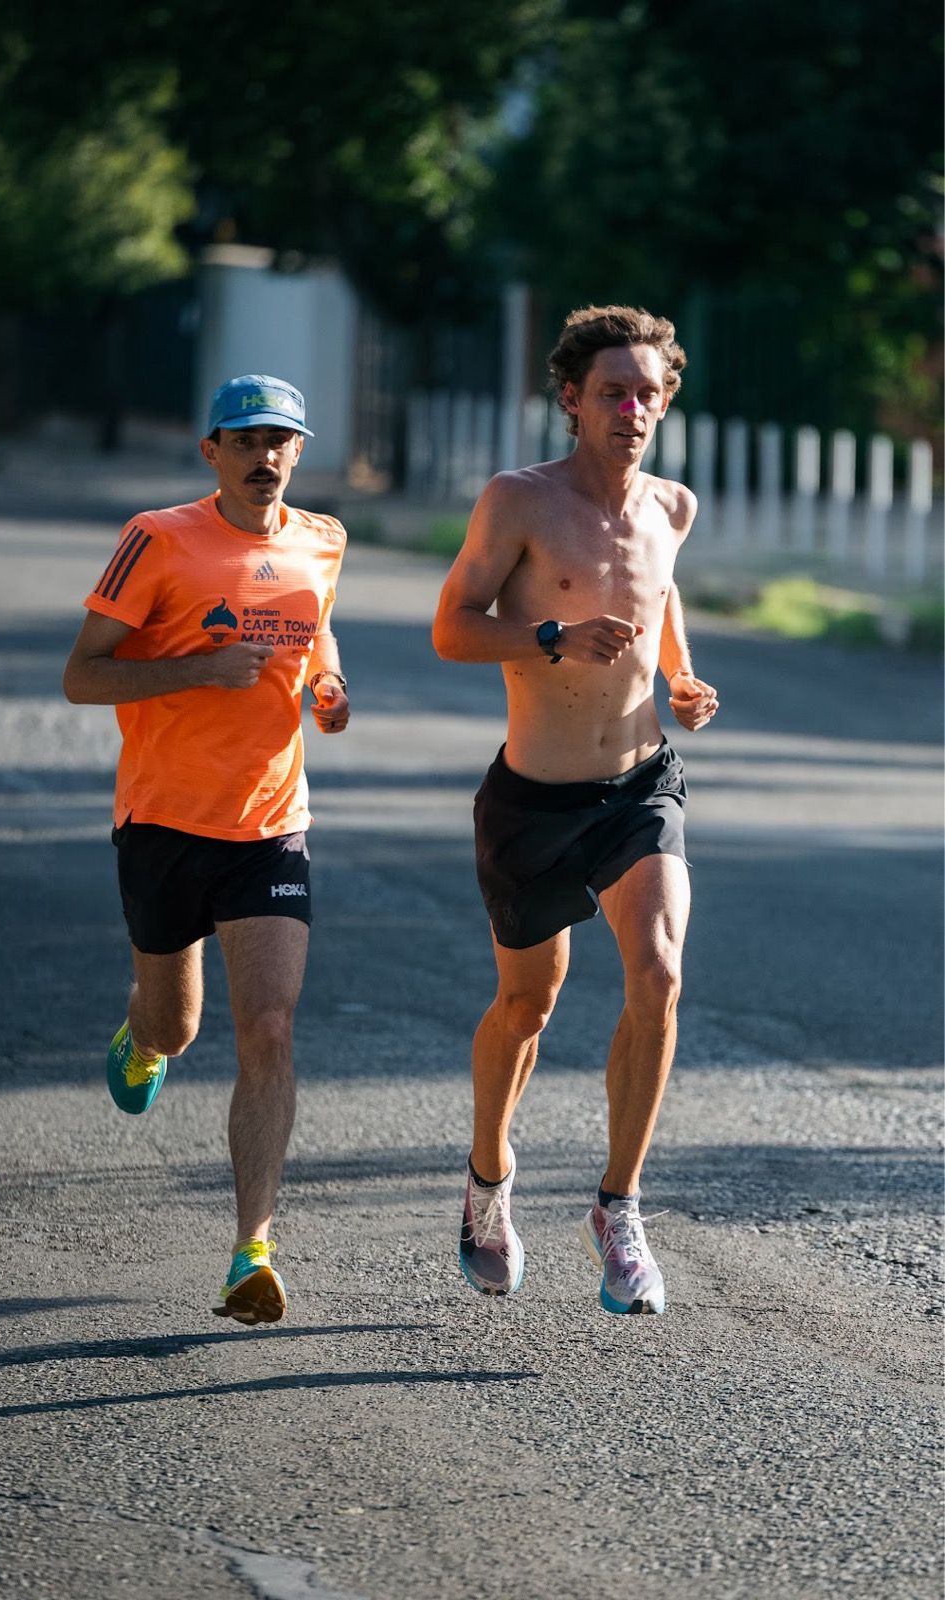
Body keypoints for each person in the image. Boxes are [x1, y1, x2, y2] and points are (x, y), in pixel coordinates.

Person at [432, 305, 719, 1315]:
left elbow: (660, 598)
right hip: (533, 802)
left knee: (660, 974)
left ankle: (618, 1207)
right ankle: (488, 1179)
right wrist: (552, 636)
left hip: (641, 784)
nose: (631, 409)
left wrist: (680, 678)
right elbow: (451, 627)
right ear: (571, 398)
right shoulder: (518, 500)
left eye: (647, 393)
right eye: (612, 392)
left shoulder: (673, 506)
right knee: (528, 1005)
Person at [63, 374, 349, 1326]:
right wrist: (201, 669)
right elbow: (82, 676)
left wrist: (327, 687)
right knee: (176, 1027)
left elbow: (317, 630)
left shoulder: (323, 538)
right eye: (246, 440)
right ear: (212, 452)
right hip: (163, 821)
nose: (265, 457)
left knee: (269, 1027)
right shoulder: (158, 538)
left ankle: (250, 1252)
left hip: (270, 823)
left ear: (298, 451)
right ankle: (141, 1037)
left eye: (281, 441)